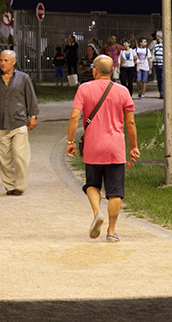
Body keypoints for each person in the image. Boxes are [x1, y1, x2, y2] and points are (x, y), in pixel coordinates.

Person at [66, 55, 140, 243]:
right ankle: (112, 230)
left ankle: (97, 212)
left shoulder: (84, 89)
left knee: (92, 184)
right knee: (115, 191)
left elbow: (75, 117)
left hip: (92, 147)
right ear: (113, 70)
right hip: (115, 149)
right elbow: (130, 122)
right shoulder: (123, 91)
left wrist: (70, 141)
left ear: (95, 71)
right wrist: (134, 147)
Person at [0, 50, 39, 196]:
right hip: (1, 124)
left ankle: (20, 186)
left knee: (19, 155)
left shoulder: (24, 78)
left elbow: (31, 97)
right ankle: (10, 186)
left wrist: (33, 116)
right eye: (1, 60)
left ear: (13, 62)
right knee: (5, 159)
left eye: (6, 60)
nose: (2, 63)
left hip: (19, 123)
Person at [152, 31, 164, 99]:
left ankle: (163, 92)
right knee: (159, 79)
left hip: (162, 64)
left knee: (162, 78)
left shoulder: (164, 45)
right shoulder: (156, 45)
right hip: (157, 64)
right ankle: (160, 92)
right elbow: (154, 54)